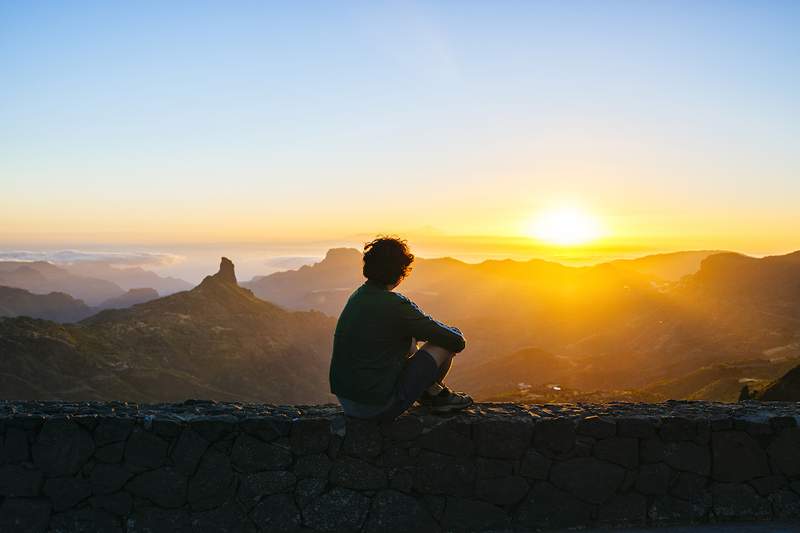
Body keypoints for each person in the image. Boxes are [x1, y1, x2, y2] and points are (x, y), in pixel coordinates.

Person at [329, 236, 473, 421]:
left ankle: (432, 391)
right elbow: (456, 342)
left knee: (409, 338)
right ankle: (433, 395)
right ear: (400, 271)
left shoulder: (358, 297)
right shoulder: (396, 305)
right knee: (444, 342)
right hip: (378, 407)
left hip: (349, 402)